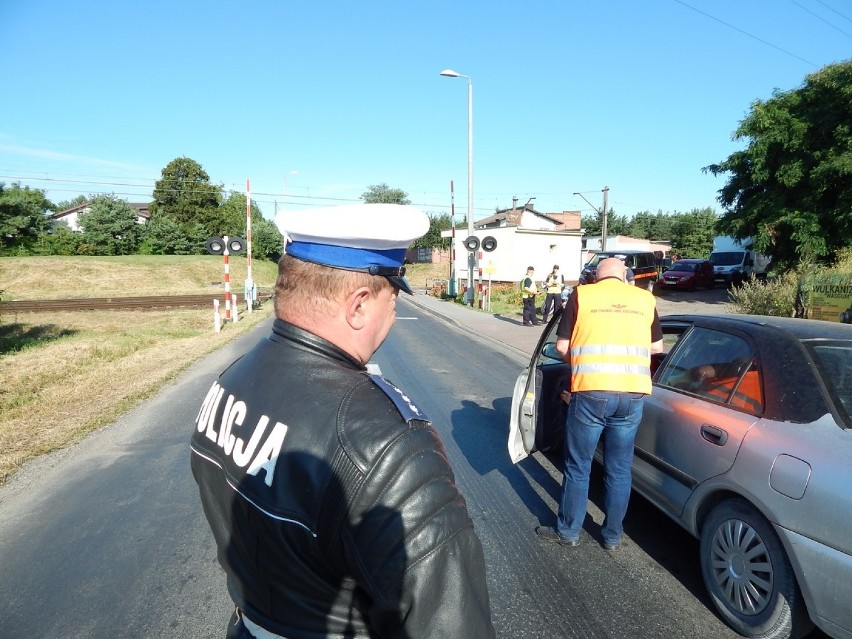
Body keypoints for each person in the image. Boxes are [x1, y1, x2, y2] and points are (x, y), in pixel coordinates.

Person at [190, 203, 495, 639]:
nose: (393, 316)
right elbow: (449, 625)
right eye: (394, 297)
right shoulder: (388, 444)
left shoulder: (234, 377)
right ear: (358, 306)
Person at [535, 257, 663, 550]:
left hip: (591, 392)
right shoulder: (645, 299)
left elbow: (562, 347)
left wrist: (582, 363)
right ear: (625, 276)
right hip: (632, 395)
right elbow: (656, 348)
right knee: (619, 469)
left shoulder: (583, 295)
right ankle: (612, 537)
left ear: (596, 275)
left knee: (578, 465)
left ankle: (568, 532)